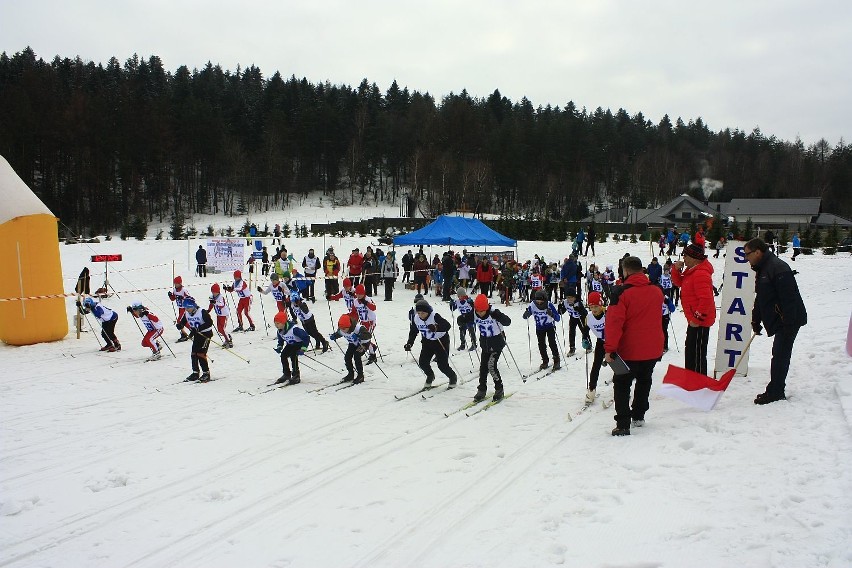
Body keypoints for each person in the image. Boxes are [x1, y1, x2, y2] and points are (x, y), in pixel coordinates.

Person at [604, 256, 664, 436]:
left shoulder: (621, 292)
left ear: (626, 270)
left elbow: (614, 323)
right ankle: (639, 415)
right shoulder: (657, 290)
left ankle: (623, 423)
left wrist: (610, 349)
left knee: (622, 384)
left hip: (629, 349)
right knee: (645, 380)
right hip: (652, 347)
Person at [744, 238, 808, 404]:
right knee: (779, 354)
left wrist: (788, 323)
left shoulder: (777, 267)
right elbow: (762, 297)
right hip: (781, 318)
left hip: (789, 319)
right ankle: (775, 389)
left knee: (780, 355)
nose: (746, 258)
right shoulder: (763, 268)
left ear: (758, 252)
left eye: (748, 254)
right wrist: (756, 319)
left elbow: (789, 298)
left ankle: (776, 391)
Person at [671, 244, 716, 376]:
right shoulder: (692, 271)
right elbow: (679, 283)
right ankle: (692, 378)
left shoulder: (700, 274)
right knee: (691, 350)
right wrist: (675, 270)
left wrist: (697, 319)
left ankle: (698, 381)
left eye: (685, 255)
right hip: (694, 319)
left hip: (700, 321)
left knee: (697, 353)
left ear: (694, 257)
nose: (683, 258)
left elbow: (706, 299)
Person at [405, 300, 458, 389]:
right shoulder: (416, 318)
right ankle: (430, 375)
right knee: (423, 363)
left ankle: (452, 377)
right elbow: (413, 331)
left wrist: (436, 327)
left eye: (423, 313)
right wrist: (409, 343)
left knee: (442, 365)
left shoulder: (434, 316)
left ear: (428, 311)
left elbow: (447, 325)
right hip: (427, 342)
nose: (421, 315)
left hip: (440, 341)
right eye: (419, 313)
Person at [472, 294, 512, 402]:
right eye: (478, 311)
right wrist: (461, 319)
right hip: (485, 343)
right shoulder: (474, 312)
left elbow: (508, 321)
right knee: (483, 367)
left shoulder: (493, 312)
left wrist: (498, 316)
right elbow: (464, 318)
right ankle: (482, 389)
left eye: (482, 311)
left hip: (497, 342)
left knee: (491, 366)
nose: (480, 314)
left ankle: (499, 389)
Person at [175, 298, 214, 382]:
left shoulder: (202, 312)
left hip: (205, 334)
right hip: (197, 335)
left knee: (201, 354)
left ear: (193, 306)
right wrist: (180, 325)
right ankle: (195, 372)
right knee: (194, 354)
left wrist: (199, 328)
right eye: (185, 308)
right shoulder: (187, 313)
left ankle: (206, 373)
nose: (187, 310)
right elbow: (183, 322)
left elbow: (209, 322)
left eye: (188, 308)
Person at [523, 290, 561, 371]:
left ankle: (556, 360)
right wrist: (526, 314)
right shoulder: (533, 305)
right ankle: (545, 360)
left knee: (552, 343)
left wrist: (551, 314)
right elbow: (526, 315)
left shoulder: (549, 305)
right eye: (537, 299)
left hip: (550, 327)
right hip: (539, 328)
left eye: (541, 300)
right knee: (541, 345)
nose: (539, 302)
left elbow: (558, 318)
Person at [329, 313, 372, 384]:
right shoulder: (342, 328)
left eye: (344, 329)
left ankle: (360, 376)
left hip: (363, 343)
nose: (342, 330)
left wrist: (359, 336)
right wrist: (334, 336)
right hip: (353, 343)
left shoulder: (358, 328)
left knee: (357, 356)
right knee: (347, 357)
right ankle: (350, 374)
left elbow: (368, 335)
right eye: (341, 328)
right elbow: (339, 333)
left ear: (349, 326)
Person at [272, 310, 310, 385]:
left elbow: (306, 337)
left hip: (299, 343)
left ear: (283, 322)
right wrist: (279, 347)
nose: (276, 325)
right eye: (275, 324)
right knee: (283, 355)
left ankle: (296, 375)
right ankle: (286, 374)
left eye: (278, 323)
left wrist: (303, 348)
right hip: (291, 344)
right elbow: (281, 340)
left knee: (293, 355)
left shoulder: (294, 329)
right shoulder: (280, 331)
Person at [585, 291, 607, 404]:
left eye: (596, 306)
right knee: (596, 365)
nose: (594, 309)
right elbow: (585, 330)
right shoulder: (588, 318)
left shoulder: (608, 312)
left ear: (601, 305)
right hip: (600, 342)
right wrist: (585, 339)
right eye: (591, 307)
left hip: (614, 342)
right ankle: (592, 389)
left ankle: (624, 389)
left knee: (618, 365)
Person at [559, 289, 591, 355]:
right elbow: (562, 311)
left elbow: (585, 313)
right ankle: (572, 348)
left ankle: (588, 346)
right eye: (568, 298)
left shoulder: (578, 302)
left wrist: (579, 309)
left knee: (584, 331)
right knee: (571, 332)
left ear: (574, 297)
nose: (569, 299)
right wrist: (560, 309)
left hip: (581, 318)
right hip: (573, 318)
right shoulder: (565, 302)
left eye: (571, 298)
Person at [450, 287, 478, 351]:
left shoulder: (468, 300)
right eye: (459, 296)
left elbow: (474, 306)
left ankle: (474, 344)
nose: (461, 297)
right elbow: (453, 309)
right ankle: (462, 344)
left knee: (471, 330)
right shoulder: (457, 302)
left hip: (470, 317)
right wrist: (451, 304)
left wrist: (471, 303)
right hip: (463, 317)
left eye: (462, 296)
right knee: (462, 330)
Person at [208, 283, 234, 348]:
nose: (214, 293)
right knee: (219, 329)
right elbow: (211, 304)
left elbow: (222, 304)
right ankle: (227, 337)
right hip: (218, 314)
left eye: (215, 292)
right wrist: (208, 310)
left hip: (224, 314)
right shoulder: (212, 296)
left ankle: (229, 341)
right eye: (213, 292)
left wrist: (215, 302)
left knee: (222, 329)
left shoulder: (220, 297)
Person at [168, 276, 193, 342]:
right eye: (175, 283)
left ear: (180, 283)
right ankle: (192, 330)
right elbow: (173, 299)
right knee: (184, 322)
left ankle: (185, 334)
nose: (175, 285)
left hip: (185, 308)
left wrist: (182, 298)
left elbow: (189, 298)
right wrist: (170, 295)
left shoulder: (184, 290)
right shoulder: (175, 290)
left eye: (177, 283)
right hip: (180, 308)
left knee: (179, 321)